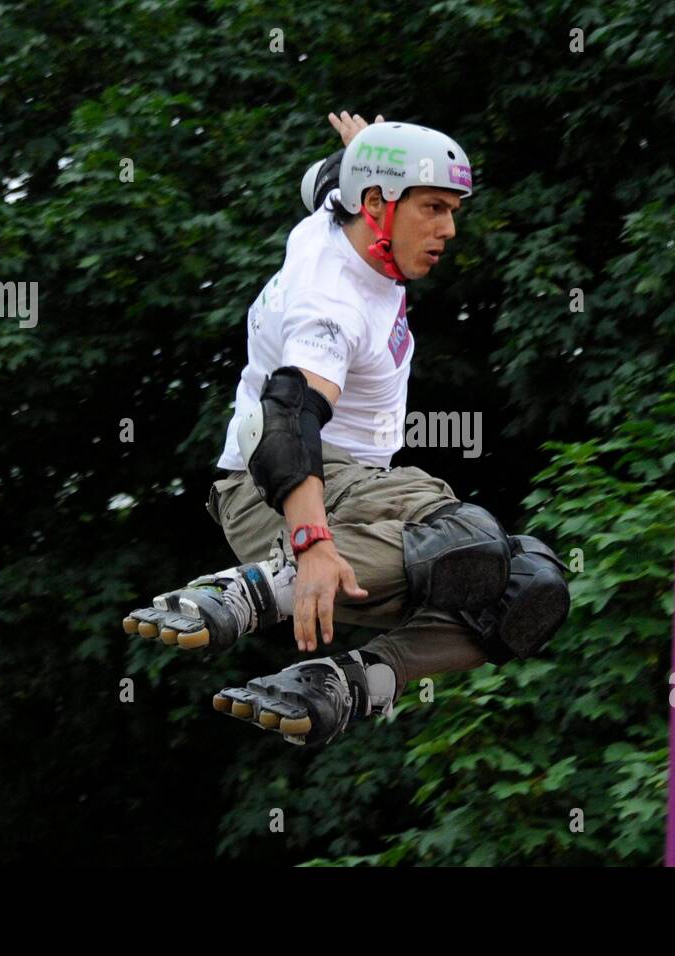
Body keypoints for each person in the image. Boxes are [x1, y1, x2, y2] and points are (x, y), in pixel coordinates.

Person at [122, 112, 570, 747]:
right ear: (377, 207)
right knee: (467, 543)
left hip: (359, 487)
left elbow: (326, 182)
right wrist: (310, 545)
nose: (448, 230)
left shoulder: (336, 216)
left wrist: (365, 148)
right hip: (280, 488)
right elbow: (287, 416)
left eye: (454, 210)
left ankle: (347, 684)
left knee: (524, 593)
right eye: (434, 208)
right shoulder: (334, 302)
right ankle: (256, 590)